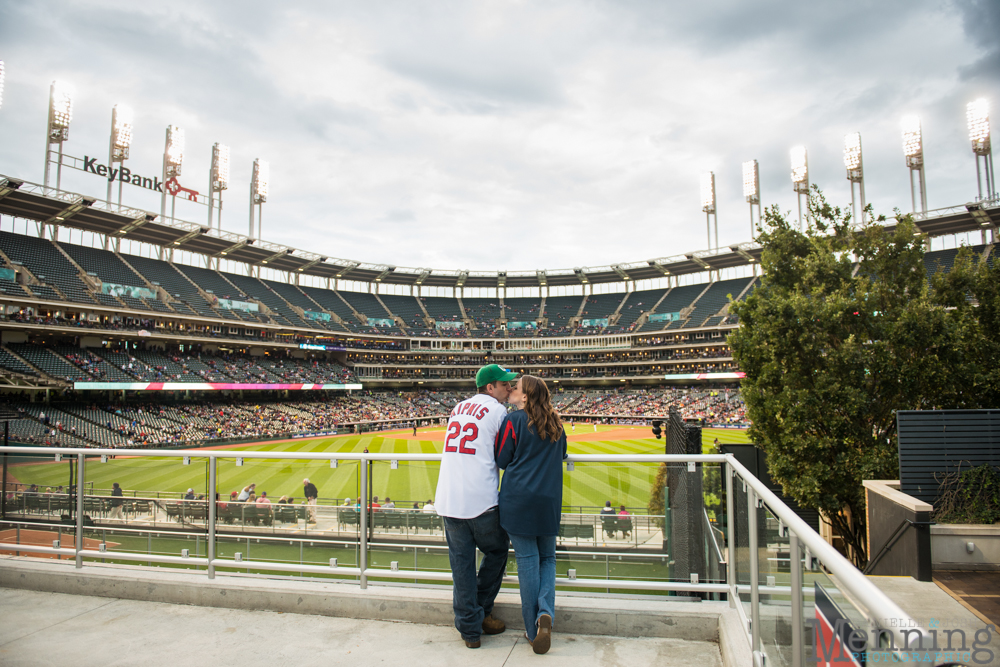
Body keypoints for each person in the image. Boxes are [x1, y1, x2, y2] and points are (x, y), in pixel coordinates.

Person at [433, 363, 516, 649]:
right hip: (480, 499)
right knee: (497, 550)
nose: (509, 388)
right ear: (490, 387)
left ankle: (470, 631)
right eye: (504, 384)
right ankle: (482, 611)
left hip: (448, 498)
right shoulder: (498, 411)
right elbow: (504, 455)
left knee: (461, 565)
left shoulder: (458, 407)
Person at [495, 374, 567, 655]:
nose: (512, 390)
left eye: (517, 388)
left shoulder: (513, 421)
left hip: (518, 500)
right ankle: (545, 612)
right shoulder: (557, 423)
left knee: (527, 559)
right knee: (547, 558)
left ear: (526, 397)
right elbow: (561, 453)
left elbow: (502, 459)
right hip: (548, 501)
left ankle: (531, 627)